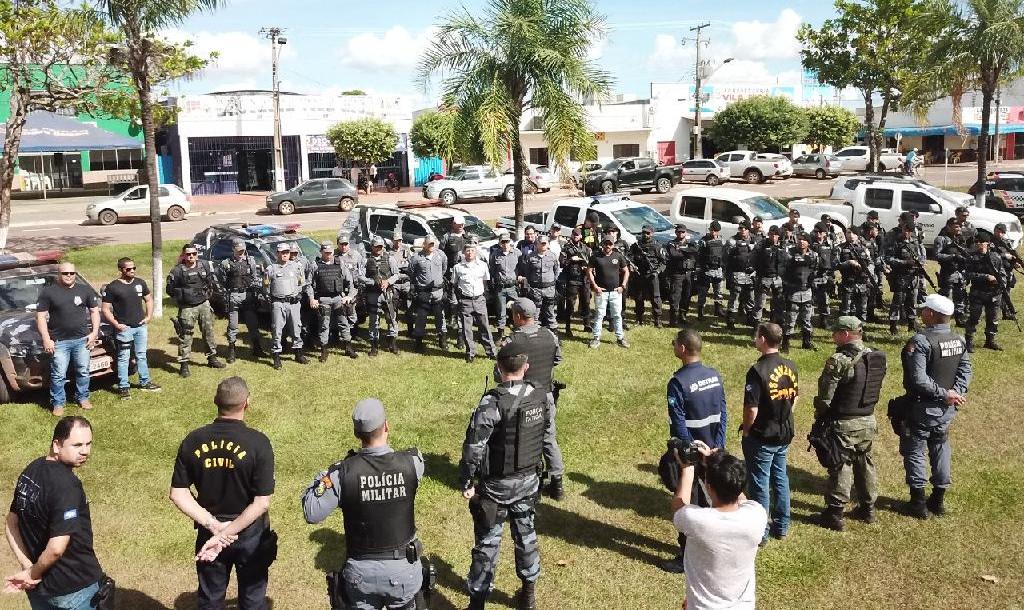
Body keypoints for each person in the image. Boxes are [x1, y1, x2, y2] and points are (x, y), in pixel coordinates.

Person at [301, 398, 425, 610]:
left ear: (356, 434)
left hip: (360, 577)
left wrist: (326, 475)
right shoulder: (413, 463)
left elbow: (311, 512)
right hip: (403, 572)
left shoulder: (342, 474)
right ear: (386, 426)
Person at [170, 376, 276, 610]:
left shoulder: (193, 440)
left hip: (209, 532)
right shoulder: (259, 443)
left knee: (210, 600)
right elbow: (261, 503)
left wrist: (215, 527)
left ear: (215, 401)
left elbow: (178, 493)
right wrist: (228, 531)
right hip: (250, 534)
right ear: (247, 403)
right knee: (253, 600)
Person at [460, 342, 546, 610]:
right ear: (526, 367)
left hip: (495, 488)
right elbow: (547, 437)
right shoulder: (541, 396)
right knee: (526, 537)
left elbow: (473, 448)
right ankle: (528, 595)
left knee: (487, 545)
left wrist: (467, 481)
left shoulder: (492, 402)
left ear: (498, 367)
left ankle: (477, 603)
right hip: (529, 482)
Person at [5, 416, 106, 609]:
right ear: (57, 445)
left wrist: (28, 567)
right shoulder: (66, 486)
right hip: (74, 588)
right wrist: (31, 573)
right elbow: (56, 548)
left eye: (88, 444)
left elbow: (11, 522)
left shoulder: (31, 470)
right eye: (77, 445)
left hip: (39, 589)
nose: (85, 451)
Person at [898, 294, 971, 519]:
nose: (922, 312)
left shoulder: (921, 341)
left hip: (922, 407)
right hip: (946, 409)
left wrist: (945, 394)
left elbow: (919, 379)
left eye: (924, 310)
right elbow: (966, 371)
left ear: (931, 314)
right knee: (941, 447)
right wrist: (955, 393)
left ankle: (918, 503)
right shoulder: (958, 340)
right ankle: (938, 500)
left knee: (915, 450)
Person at [661, 329, 728, 574]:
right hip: (714, 448)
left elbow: (678, 422)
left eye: (674, 344)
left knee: (689, 503)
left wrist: (692, 450)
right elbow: (723, 412)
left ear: (682, 348)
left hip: (691, 454)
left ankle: (688, 554)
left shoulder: (677, 382)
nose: (673, 347)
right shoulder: (714, 375)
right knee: (717, 498)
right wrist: (717, 444)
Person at [670, 444, 767, 610]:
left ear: (709, 488)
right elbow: (741, 497)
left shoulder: (697, 521)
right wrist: (718, 464)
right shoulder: (757, 515)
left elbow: (678, 508)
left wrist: (687, 469)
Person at [813, 316, 887, 531]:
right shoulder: (876, 356)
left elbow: (825, 397)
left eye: (836, 332)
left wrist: (820, 414)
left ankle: (835, 513)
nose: (833, 336)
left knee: (841, 464)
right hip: (868, 421)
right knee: (865, 462)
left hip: (844, 423)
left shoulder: (839, 360)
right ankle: (868, 508)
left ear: (845, 334)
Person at [741, 322, 799, 545]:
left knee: (760, 483)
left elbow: (751, 409)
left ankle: (761, 532)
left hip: (763, 435)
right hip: (783, 432)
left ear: (763, 339)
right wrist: (784, 415)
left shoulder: (758, 371)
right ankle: (782, 526)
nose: (755, 339)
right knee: (780, 477)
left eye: (757, 336)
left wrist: (747, 430)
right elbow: (795, 397)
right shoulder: (790, 365)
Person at [504, 298, 564, 500]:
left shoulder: (513, 341)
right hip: (546, 395)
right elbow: (557, 359)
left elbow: (501, 373)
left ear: (518, 316)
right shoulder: (550, 335)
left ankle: (529, 483)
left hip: (521, 399)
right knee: (549, 438)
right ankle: (557, 484)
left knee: (523, 440)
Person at [35, 262, 101, 415]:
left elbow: (94, 311)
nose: (69, 276)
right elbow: (40, 317)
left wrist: (94, 332)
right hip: (59, 342)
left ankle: (82, 397)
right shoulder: (49, 292)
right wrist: (46, 339)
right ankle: (58, 403)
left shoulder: (84, 290)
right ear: (59, 274)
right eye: (65, 273)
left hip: (82, 340)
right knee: (58, 374)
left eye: (72, 273)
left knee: (83, 371)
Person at [101, 257, 160, 400]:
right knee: (124, 357)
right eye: (129, 269)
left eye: (134, 268)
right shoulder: (113, 287)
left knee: (141, 355)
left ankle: (145, 382)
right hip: (124, 329)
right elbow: (105, 309)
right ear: (121, 270)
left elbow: (149, 299)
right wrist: (116, 324)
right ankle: (123, 387)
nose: (132, 271)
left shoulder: (140, 283)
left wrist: (148, 316)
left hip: (140, 326)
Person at [167, 244, 226, 377]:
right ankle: (184, 364)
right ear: (183, 255)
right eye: (188, 254)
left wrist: (207, 296)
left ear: (197, 254)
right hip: (187, 308)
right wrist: (183, 296)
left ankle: (212, 358)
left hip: (204, 304)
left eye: (194, 253)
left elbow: (210, 282)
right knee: (185, 335)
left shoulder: (204, 266)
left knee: (208, 331)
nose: (191, 256)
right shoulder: (177, 271)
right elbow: (170, 290)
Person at [310, 241, 359, 362]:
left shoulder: (340, 263)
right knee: (324, 325)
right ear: (321, 252)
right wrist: (312, 298)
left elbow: (350, 282)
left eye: (330, 252)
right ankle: (324, 350)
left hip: (338, 298)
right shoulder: (315, 265)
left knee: (344, 323)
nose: (328, 255)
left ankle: (348, 347)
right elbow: (309, 284)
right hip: (323, 299)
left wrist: (349, 296)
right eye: (326, 253)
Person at [218, 239, 264, 362]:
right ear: (233, 249)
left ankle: (257, 348)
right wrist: (228, 293)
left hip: (248, 295)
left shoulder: (250, 261)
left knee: (253, 323)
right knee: (233, 325)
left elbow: (254, 277)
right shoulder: (226, 263)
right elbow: (221, 280)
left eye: (243, 250)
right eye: (238, 250)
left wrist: (255, 292)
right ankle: (232, 351)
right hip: (234, 295)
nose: (241, 253)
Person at [265, 242, 309, 369]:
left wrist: (298, 294)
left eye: (287, 252)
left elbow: (302, 283)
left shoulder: (297, 267)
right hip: (278, 303)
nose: (285, 255)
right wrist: (273, 299)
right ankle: (276, 355)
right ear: (277, 253)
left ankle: (298, 353)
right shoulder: (271, 269)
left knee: (296, 328)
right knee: (277, 330)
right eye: (282, 252)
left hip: (294, 303)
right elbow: (266, 287)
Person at [452, 238, 496, 362]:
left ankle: (491, 352)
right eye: (467, 250)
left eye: (472, 250)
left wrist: (482, 296)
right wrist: (459, 300)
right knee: (467, 329)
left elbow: (485, 282)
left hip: (479, 300)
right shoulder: (458, 267)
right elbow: (454, 284)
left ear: (475, 252)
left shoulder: (482, 265)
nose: (470, 253)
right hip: (465, 301)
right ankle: (470, 353)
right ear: (463, 252)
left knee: (485, 327)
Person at [964, 232, 1007, 351]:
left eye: (981, 242)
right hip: (978, 293)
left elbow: (1002, 273)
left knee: (993, 318)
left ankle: (990, 341)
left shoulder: (995, 256)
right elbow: (968, 274)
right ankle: (968, 341)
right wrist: (985, 277)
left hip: (994, 293)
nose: (978, 244)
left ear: (987, 243)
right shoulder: (972, 257)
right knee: (974, 318)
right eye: (976, 242)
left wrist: (1001, 282)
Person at [588, 236, 630, 349]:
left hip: (616, 292)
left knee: (617, 315)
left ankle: (620, 338)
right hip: (601, 292)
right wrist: (595, 286)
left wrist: (623, 285)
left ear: (613, 245)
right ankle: (596, 338)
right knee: (599, 315)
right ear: (602, 244)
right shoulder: (595, 256)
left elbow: (626, 271)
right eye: (606, 244)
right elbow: (589, 271)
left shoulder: (618, 256)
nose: (608, 246)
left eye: (610, 244)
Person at [409, 235, 449, 352]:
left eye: (433, 244)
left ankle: (442, 338)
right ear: (424, 245)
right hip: (423, 292)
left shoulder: (441, 255)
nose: (432, 246)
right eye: (429, 244)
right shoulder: (416, 257)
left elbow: (444, 269)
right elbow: (411, 272)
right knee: (421, 317)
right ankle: (418, 342)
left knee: (440, 315)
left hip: (438, 291)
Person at [364, 236, 403, 357]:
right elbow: (360, 276)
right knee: (373, 320)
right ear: (372, 247)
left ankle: (392, 342)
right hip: (373, 294)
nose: (379, 249)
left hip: (388, 293)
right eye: (377, 246)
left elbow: (396, 274)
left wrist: (388, 282)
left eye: (381, 246)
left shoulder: (390, 258)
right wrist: (373, 282)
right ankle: (374, 345)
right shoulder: (366, 260)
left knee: (391, 317)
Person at [885, 223, 924, 335]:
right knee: (897, 302)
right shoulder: (895, 242)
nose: (906, 233)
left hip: (913, 276)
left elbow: (921, 256)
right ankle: (893, 326)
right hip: (900, 276)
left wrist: (919, 262)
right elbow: (889, 258)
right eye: (905, 230)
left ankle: (911, 325)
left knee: (911, 302)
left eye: (909, 231)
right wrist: (905, 262)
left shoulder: (915, 242)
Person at [782, 233, 818, 351]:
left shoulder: (814, 255)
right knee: (790, 319)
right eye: (800, 239)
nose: (801, 242)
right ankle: (785, 343)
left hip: (807, 291)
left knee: (807, 319)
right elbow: (783, 269)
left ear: (808, 242)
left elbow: (816, 270)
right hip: (793, 292)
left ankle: (806, 342)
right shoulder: (790, 253)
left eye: (804, 240)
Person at [517, 235, 560, 332]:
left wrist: (551, 282)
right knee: (535, 312)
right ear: (537, 244)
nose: (543, 245)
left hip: (549, 289)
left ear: (548, 244)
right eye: (541, 243)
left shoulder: (552, 256)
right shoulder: (530, 256)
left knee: (550, 311)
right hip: (535, 289)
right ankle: (535, 332)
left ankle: (553, 332)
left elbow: (556, 271)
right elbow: (527, 272)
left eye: (545, 243)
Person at [629, 225, 667, 326]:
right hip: (639, 274)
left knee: (656, 297)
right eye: (644, 233)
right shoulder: (636, 246)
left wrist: (657, 271)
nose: (645, 235)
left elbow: (664, 262)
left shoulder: (657, 246)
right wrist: (632, 266)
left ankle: (657, 319)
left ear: (652, 234)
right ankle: (639, 318)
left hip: (652, 275)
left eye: (648, 233)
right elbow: (630, 258)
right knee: (639, 297)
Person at [934, 219, 969, 325]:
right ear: (949, 227)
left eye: (960, 227)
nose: (959, 229)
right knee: (946, 297)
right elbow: (937, 255)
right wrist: (953, 256)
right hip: (948, 272)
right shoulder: (941, 239)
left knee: (960, 296)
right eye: (956, 227)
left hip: (960, 272)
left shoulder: (960, 239)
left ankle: (960, 319)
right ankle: (942, 320)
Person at [559, 228, 592, 337]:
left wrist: (586, 267)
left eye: (577, 235)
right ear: (571, 235)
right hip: (572, 279)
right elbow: (562, 262)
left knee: (586, 302)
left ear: (581, 236)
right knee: (570, 304)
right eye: (574, 234)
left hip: (584, 279)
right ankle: (568, 327)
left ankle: (587, 324)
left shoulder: (586, 248)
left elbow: (591, 262)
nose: (575, 236)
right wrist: (571, 260)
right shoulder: (566, 248)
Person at [836, 230, 874, 324]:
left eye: (854, 233)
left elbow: (871, 263)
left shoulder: (864, 248)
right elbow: (835, 264)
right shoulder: (840, 248)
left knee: (862, 310)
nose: (851, 235)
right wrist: (848, 262)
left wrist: (867, 269)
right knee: (846, 310)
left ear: (858, 235)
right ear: (845, 234)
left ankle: (860, 329)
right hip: (848, 283)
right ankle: (845, 330)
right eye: (849, 233)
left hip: (862, 283)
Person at [489, 230, 522, 340]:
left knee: (518, 309)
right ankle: (500, 335)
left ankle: (518, 332)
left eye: (507, 241)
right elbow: (492, 270)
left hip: (513, 287)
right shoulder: (495, 254)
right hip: (500, 288)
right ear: (499, 243)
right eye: (503, 242)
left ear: (510, 241)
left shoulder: (517, 253)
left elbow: (521, 268)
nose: (505, 244)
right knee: (501, 312)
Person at [724, 221, 756, 329]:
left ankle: (750, 318)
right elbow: (726, 257)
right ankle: (731, 320)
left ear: (748, 230)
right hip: (737, 272)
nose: (742, 230)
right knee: (735, 297)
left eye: (745, 228)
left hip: (750, 273)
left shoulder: (754, 240)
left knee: (750, 297)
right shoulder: (732, 240)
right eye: (740, 228)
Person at [664, 223, 697, 327]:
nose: (681, 234)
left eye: (683, 232)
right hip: (677, 274)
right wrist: (687, 253)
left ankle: (683, 316)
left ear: (686, 232)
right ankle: (673, 320)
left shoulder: (691, 243)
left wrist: (681, 250)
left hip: (689, 273)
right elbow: (674, 254)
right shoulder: (671, 243)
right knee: (675, 296)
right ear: (675, 232)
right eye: (679, 232)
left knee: (687, 295)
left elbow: (695, 251)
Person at [752, 226, 786, 325]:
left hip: (777, 278)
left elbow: (786, 260)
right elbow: (753, 257)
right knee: (759, 303)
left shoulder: (782, 246)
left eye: (775, 235)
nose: (773, 237)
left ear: (778, 236)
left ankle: (776, 323)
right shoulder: (762, 244)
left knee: (778, 303)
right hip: (764, 277)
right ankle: (756, 324)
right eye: (771, 234)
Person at [336, 234, 366, 341]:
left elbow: (362, 270)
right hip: (339, 288)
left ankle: (354, 333)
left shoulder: (356, 255)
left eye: (346, 244)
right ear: (337, 244)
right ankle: (339, 333)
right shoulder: (334, 256)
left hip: (354, 288)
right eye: (341, 244)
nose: (344, 247)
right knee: (341, 311)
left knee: (354, 311)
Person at [695, 221, 726, 321]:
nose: (713, 232)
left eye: (715, 230)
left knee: (719, 291)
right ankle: (700, 312)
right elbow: (698, 255)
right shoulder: (704, 241)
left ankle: (718, 309)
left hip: (718, 269)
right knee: (703, 292)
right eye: (711, 230)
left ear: (718, 231)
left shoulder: (722, 240)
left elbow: (724, 254)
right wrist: (700, 268)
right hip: (706, 270)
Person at [810, 222, 837, 328]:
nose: (818, 234)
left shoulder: (830, 244)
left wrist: (831, 275)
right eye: (816, 232)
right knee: (810, 300)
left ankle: (823, 320)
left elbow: (834, 259)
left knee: (824, 299)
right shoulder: (811, 243)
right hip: (813, 275)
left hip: (825, 276)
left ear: (825, 233)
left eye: (820, 232)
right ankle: (808, 320)